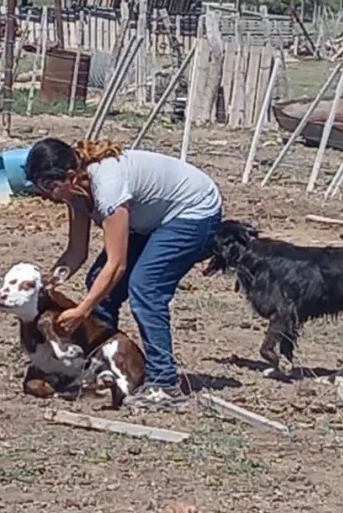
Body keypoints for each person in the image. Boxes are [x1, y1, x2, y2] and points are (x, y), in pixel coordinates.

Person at [23, 138, 222, 410]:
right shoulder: (78, 194)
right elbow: (76, 252)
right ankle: (97, 360)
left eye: (49, 187)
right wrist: (49, 282)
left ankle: (164, 383)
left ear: (69, 177)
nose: (46, 195)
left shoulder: (108, 186)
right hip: (152, 218)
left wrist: (82, 310)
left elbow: (117, 265)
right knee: (98, 282)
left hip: (192, 211)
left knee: (146, 287)